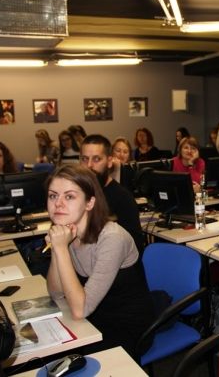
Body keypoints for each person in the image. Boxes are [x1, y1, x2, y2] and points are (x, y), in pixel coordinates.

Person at [45, 165, 153, 358]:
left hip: (128, 326)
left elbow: (80, 310)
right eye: (53, 196)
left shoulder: (112, 238)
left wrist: (61, 249)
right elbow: (56, 293)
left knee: (69, 359)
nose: (58, 204)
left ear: (89, 203)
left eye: (69, 196)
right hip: (93, 318)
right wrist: (57, 248)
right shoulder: (67, 231)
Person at [80, 135, 145, 254]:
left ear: (109, 162)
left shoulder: (123, 198)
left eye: (96, 159)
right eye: (84, 159)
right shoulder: (79, 194)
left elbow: (134, 247)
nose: (89, 165)